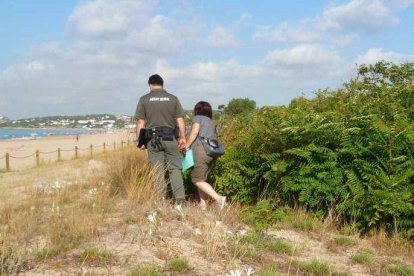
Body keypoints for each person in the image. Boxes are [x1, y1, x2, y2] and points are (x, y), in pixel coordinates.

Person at [135, 74, 187, 206]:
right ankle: (180, 200)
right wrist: (183, 138)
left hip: (153, 140)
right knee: (175, 169)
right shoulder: (173, 99)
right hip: (171, 139)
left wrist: (140, 142)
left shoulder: (144, 99)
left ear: (150, 85)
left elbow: (141, 122)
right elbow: (180, 121)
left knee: (157, 170)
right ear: (162, 84)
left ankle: (160, 200)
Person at [186, 101, 226, 210]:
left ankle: (219, 198)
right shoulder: (210, 122)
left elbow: (194, 133)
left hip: (201, 150)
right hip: (212, 152)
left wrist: (186, 146)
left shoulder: (197, 118)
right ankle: (203, 204)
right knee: (202, 179)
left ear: (197, 109)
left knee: (196, 180)